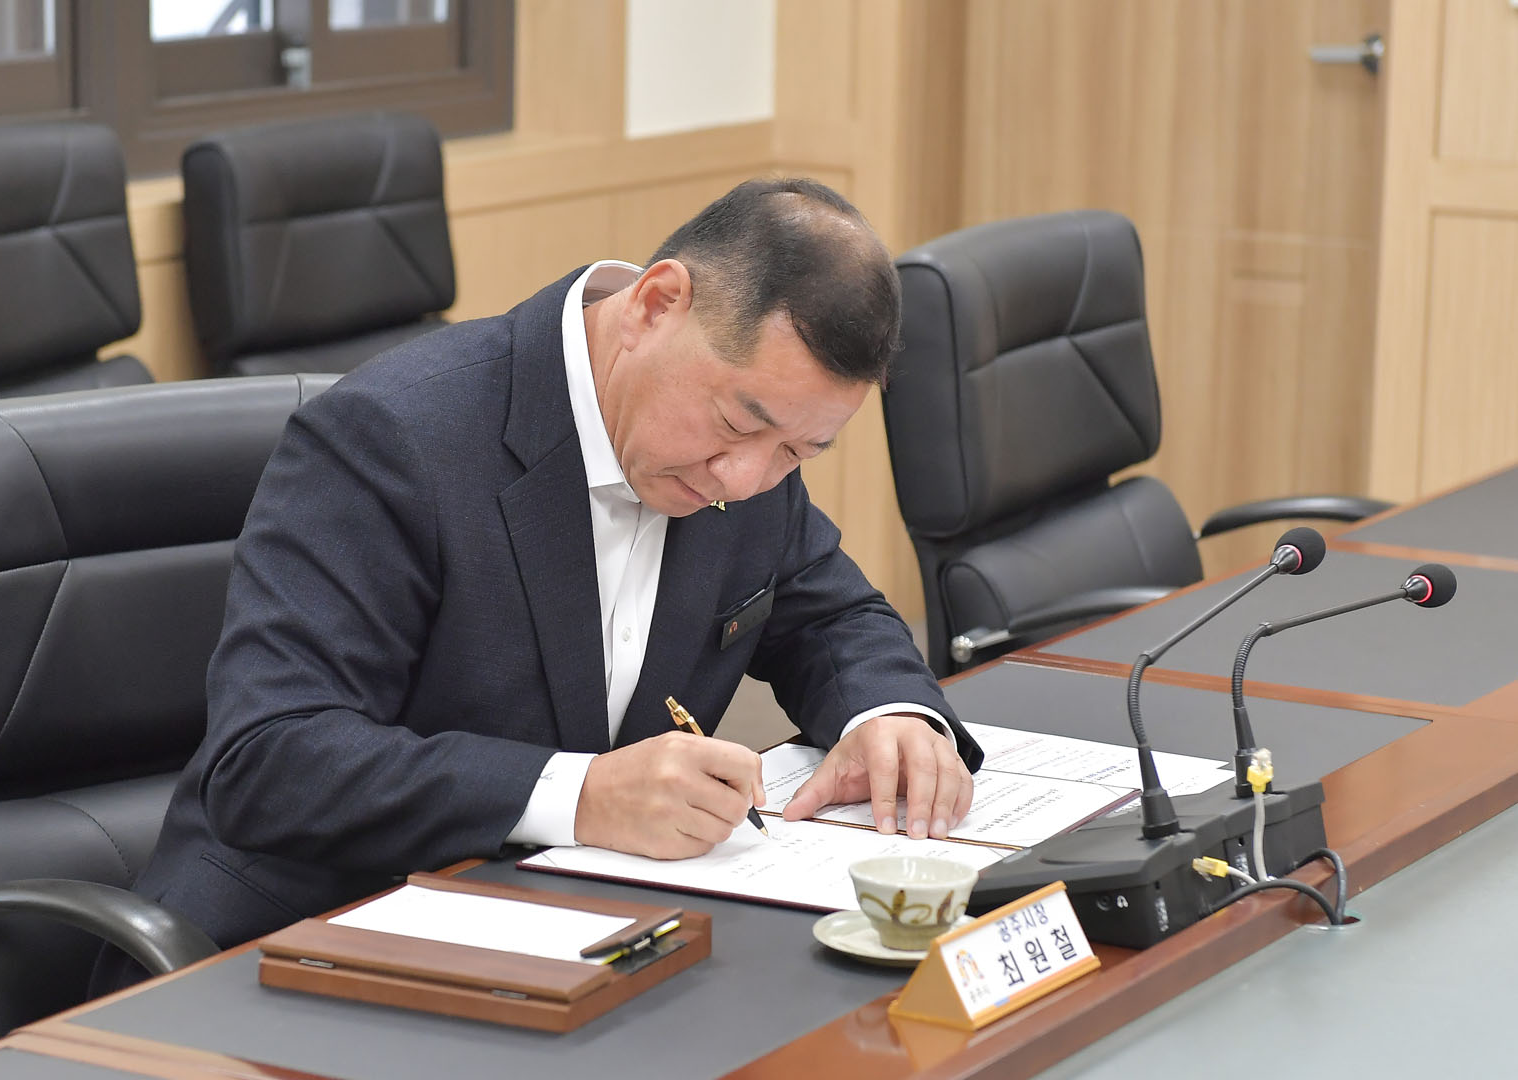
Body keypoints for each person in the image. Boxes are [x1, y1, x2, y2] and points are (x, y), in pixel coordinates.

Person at [98, 177, 983, 985]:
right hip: (302, 949)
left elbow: (831, 612)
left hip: (568, 941)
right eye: (736, 425)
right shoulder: (390, 437)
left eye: (798, 451)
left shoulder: (743, 450)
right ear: (656, 304)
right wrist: (583, 796)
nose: (745, 480)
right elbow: (270, 759)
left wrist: (889, 716)